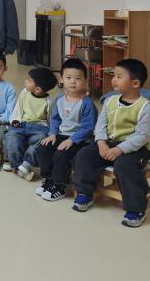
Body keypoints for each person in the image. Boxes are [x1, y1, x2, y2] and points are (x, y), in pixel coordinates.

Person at [71, 59, 150, 227]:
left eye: (119, 76)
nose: (114, 80)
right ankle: (84, 193)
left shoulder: (146, 107)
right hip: (109, 143)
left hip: (135, 149)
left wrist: (119, 150)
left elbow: (142, 136)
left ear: (135, 83)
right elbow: (101, 125)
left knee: (124, 166)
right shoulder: (110, 101)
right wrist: (101, 143)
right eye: (114, 76)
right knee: (85, 155)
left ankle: (136, 209)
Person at [36, 58, 97, 201]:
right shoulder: (59, 99)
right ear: (61, 79)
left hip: (80, 140)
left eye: (78, 78)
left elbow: (88, 127)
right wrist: (52, 134)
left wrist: (72, 140)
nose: (73, 82)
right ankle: (50, 179)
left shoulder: (87, 103)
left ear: (85, 81)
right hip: (61, 136)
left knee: (61, 155)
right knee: (43, 148)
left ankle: (60, 185)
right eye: (68, 78)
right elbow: (55, 119)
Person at [5, 67, 58, 179]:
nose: (25, 81)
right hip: (22, 124)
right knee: (11, 136)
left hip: (40, 127)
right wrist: (15, 120)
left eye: (29, 80)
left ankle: (26, 164)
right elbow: (18, 108)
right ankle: (16, 165)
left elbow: (51, 119)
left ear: (38, 89)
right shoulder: (24, 93)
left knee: (42, 139)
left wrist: (51, 133)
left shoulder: (48, 102)